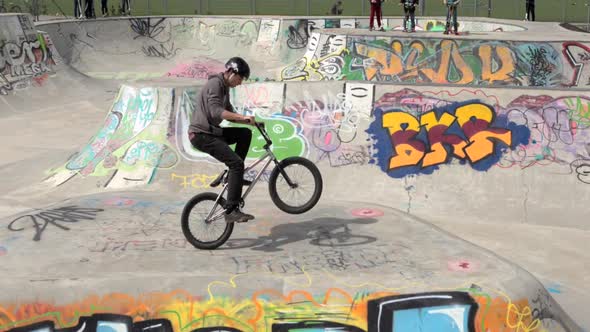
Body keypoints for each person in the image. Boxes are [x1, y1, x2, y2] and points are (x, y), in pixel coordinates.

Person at [188, 57, 257, 224]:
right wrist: (242, 117)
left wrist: (250, 121)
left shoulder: (224, 88)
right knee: (236, 164)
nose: (240, 83)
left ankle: (232, 176)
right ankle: (231, 210)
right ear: (231, 73)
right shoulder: (215, 84)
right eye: (240, 79)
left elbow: (230, 114)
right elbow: (216, 112)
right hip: (201, 135)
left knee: (244, 134)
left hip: (212, 132)